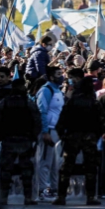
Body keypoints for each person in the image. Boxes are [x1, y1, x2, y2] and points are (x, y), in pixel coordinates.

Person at [53, 77, 103, 206]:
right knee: (90, 168)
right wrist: (95, 136)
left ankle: (61, 196)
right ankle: (90, 196)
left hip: (72, 137)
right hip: (89, 138)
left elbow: (61, 121)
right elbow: (101, 122)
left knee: (66, 168)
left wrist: (63, 136)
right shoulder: (94, 103)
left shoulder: (71, 102)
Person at [0, 78, 41, 205]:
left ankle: (4, 198)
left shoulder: (4, 103)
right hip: (24, 140)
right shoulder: (28, 103)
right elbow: (37, 120)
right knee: (26, 170)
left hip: (9, 140)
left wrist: (1, 136)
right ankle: (27, 197)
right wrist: (33, 137)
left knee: (6, 170)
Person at [35, 66, 65, 200]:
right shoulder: (46, 91)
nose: (62, 76)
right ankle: (42, 189)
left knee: (55, 163)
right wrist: (45, 131)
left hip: (57, 131)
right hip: (49, 131)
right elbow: (42, 111)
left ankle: (54, 188)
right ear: (52, 77)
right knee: (45, 161)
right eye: (59, 74)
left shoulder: (58, 90)